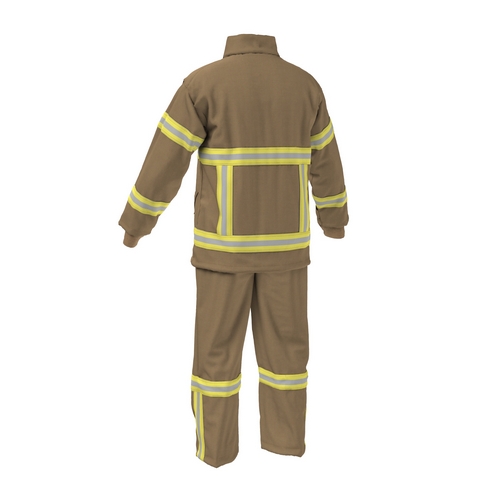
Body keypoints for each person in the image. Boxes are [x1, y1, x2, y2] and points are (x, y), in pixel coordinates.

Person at [119, 34, 348, 467]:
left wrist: (136, 223)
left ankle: (217, 453)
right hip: (287, 248)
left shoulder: (202, 85)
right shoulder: (305, 86)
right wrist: (333, 219)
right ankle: (284, 445)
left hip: (223, 249)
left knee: (216, 356)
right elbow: (327, 161)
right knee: (288, 354)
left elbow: (166, 160)